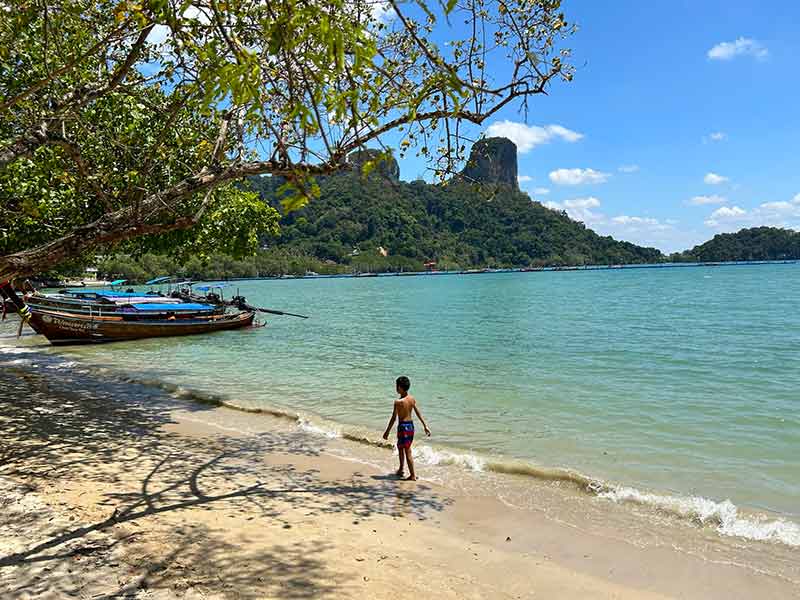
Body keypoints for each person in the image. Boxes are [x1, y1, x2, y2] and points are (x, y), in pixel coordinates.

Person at [382, 376, 431, 480]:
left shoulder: (398, 402)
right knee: (401, 447)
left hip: (403, 427)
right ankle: (401, 469)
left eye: (396, 386)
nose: (395, 387)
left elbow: (393, 418)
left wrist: (387, 431)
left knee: (406, 450)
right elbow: (418, 413)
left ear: (400, 387)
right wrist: (425, 425)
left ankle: (412, 475)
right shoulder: (412, 399)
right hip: (410, 427)